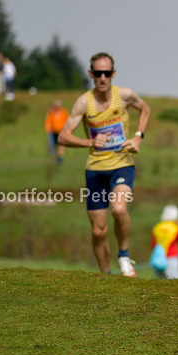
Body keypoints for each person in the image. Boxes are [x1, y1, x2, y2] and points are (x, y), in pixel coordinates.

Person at [57, 52, 152, 277]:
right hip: (95, 171)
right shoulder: (83, 102)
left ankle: (124, 255)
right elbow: (62, 137)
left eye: (106, 73)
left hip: (122, 165)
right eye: (97, 73)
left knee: (119, 208)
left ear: (113, 74)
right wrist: (89, 141)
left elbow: (145, 109)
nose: (102, 77)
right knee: (99, 231)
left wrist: (138, 136)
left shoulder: (126, 95)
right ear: (91, 74)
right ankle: (105, 276)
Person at [151, 205, 178, 279]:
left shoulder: (157, 227)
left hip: (158, 258)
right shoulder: (175, 228)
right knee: (174, 282)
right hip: (172, 257)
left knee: (160, 283)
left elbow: (153, 245)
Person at [45, 100, 68, 164]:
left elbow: (67, 120)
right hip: (53, 132)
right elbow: (48, 120)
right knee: (54, 144)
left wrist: (66, 130)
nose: (57, 107)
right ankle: (55, 157)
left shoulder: (64, 111)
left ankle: (60, 158)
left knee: (61, 144)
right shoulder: (52, 112)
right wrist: (48, 129)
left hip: (61, 131)